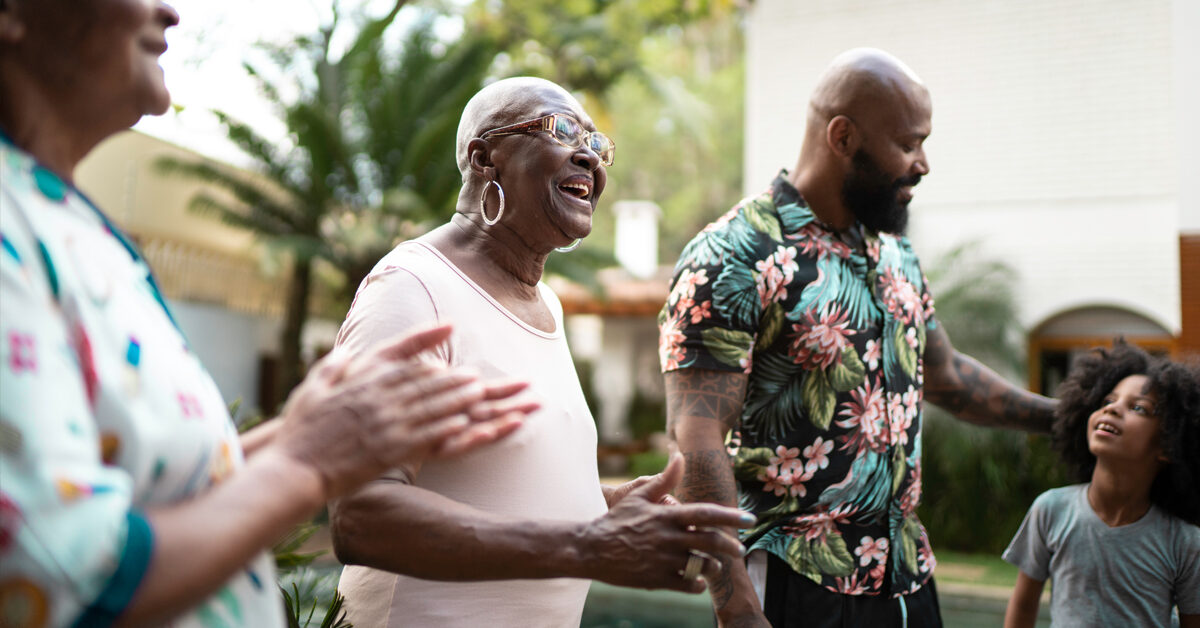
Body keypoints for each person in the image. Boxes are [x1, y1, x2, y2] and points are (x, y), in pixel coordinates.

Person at [0, 1, 535, 626]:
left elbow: (164, 495)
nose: (169, 11)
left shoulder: (62, 215)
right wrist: (305, 462)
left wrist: (319, 430)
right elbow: (54, 571)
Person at [328, 75, 755, 627]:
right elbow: (361, 515)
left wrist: (602, 503)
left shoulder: (547, 304)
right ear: (485, 158)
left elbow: (497, 482)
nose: (590, 158)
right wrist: (587, 543)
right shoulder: (413, 287)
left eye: (596, 143)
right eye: (562, 131)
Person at [658, 48, 1058, 627]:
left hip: (906, 576)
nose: (923, 164)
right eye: (909, 143)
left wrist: (1064, 418)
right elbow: (697, 434)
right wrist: (735, 602)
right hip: (795, 577)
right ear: (842, 137)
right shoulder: (735, 252)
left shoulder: (894, 252)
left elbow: (945, 376)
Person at [1002, 341, 1200, 628]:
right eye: (1108, 401)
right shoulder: (1051, 510)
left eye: (1138, 408)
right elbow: (1023, 606)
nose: (1113, 409)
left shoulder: (1184, 542)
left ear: (1168, 444)